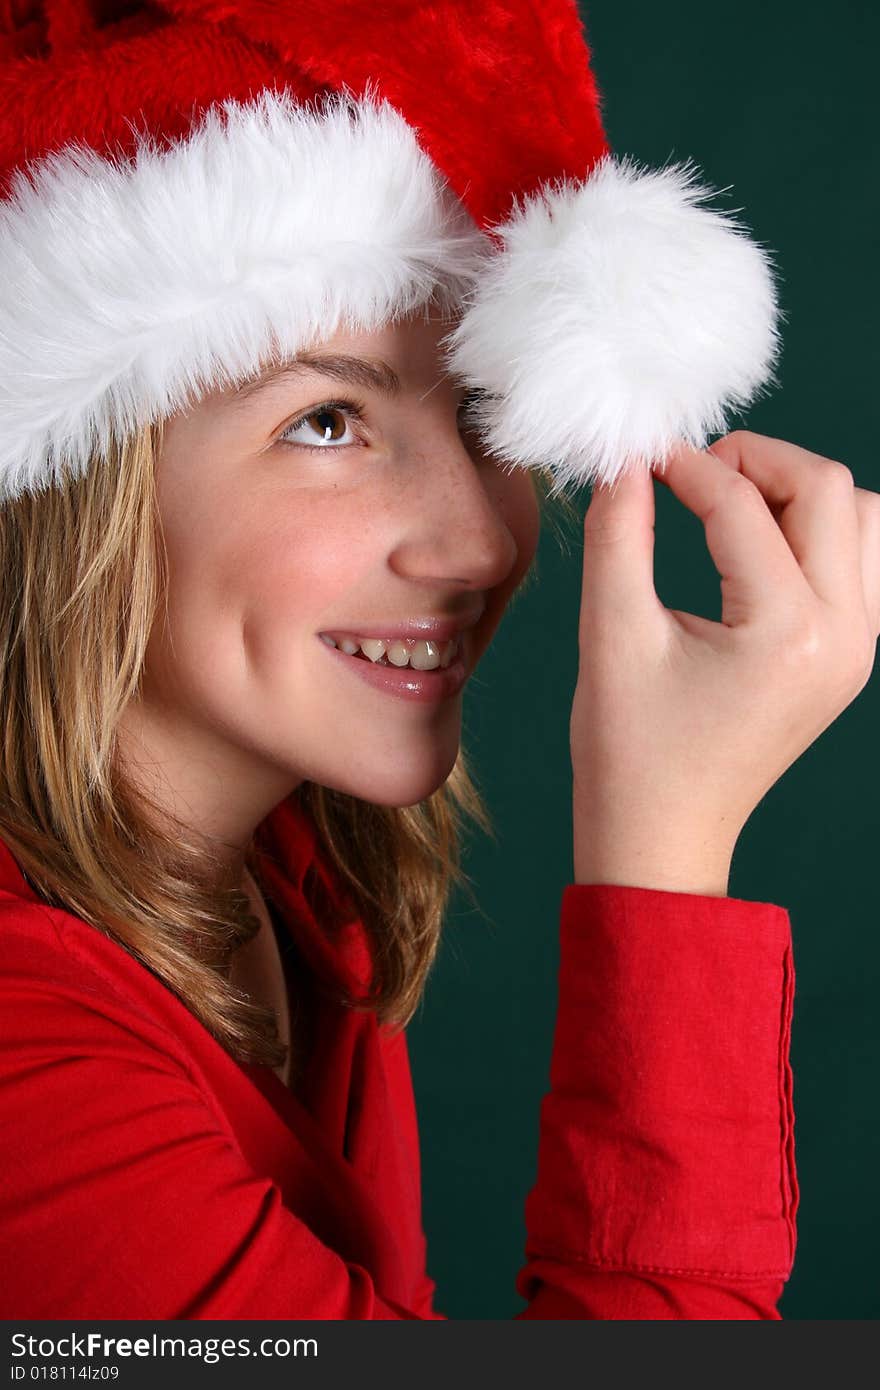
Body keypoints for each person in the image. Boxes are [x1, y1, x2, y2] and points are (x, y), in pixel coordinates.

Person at [1, 1, 878, 1319]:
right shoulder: (26, 1067)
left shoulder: (298, 886)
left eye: (482, 409)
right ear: (78, 476)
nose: (477, 541)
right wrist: (670, 874)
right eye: (328, 419)